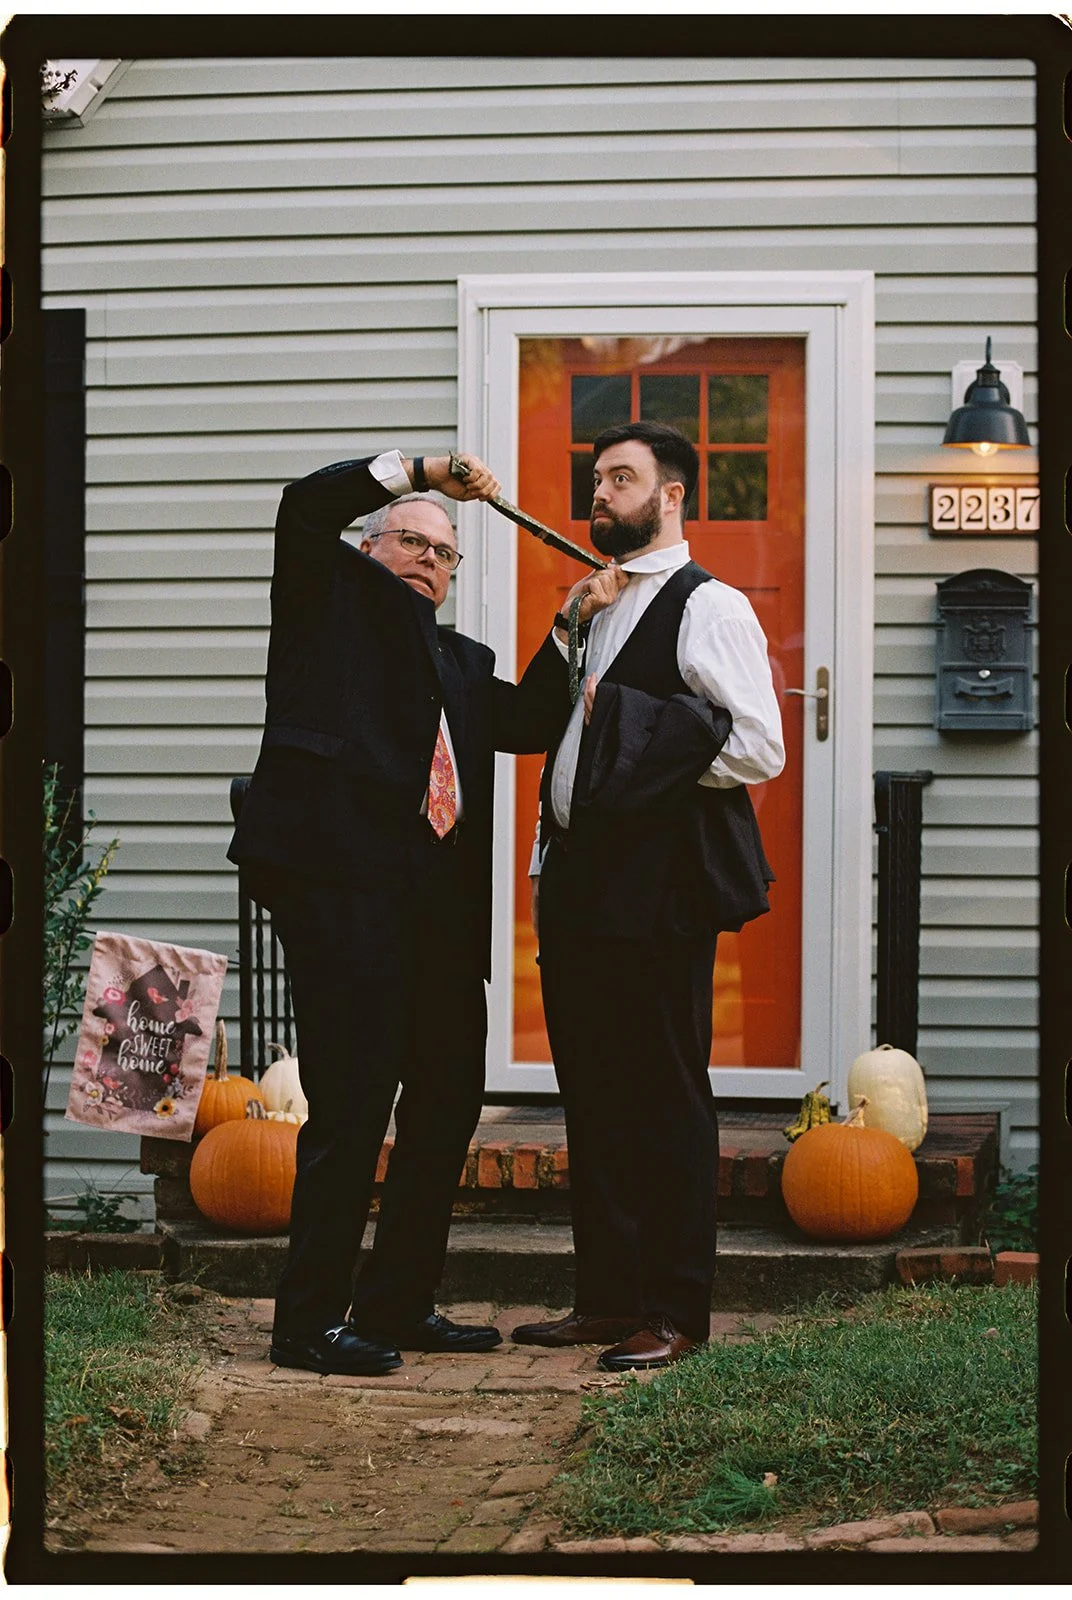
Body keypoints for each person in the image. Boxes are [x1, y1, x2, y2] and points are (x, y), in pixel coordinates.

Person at [228, 447, 619, 1377]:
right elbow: (304, 503)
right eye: (411, 543)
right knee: (354, 1106)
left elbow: (526, 723)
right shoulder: (326, 606)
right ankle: (307, 1323)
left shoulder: (457, 660)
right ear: (371, 546)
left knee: (445, 1105)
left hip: (437, 920)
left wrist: (569, 625)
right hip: (344, 898)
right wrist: (426, 473)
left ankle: (397, 1303)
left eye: (445, 556)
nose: (428, 562)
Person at [512, 421, 785, 1372]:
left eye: (620, 479)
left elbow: (759, 745)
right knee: (591, 1097)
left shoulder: (711, 607)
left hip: (658, 891)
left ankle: (675, 1310)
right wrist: (572, 621)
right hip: (578, 882)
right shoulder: (599, 602)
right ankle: (608, 1299)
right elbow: (530, 725)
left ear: (671, 495)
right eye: (595, 479)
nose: (600, 494)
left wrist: (628, 725)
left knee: (666, 1097)